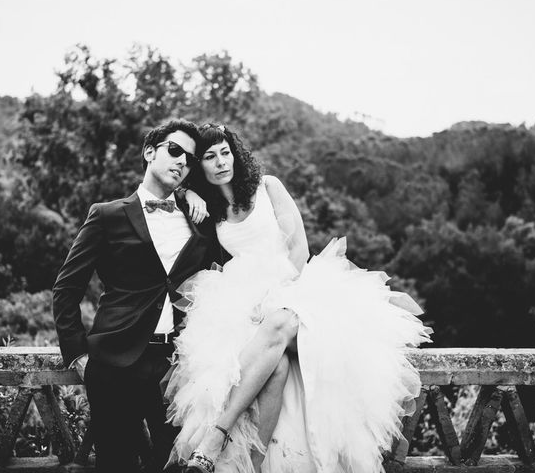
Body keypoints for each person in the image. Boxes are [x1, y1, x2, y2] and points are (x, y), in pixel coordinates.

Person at [165, 123, 433, 473]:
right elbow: (165, 194)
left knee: (281, 319)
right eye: (210, 157)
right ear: (200, 165)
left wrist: (273, 296)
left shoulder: (268, 186)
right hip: (241, 295)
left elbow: (298, 250)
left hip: (295, 285)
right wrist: (188, 193)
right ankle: (253, 462)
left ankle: (215, 437)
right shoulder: (212, 210)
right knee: (275, 368)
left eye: (225, 153)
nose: (220, 162)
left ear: (236, 153)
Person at [52, 119, 223, 473]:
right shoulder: (106, 215)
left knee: (174, 463)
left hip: (177, 366)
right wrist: (77, 355)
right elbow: (67, 288)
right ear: (149, 152)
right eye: (174, 150)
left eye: (190, 159)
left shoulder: (199, 219)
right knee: (116, 463)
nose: (181, 162)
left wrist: (193, 194)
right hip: (114, 362)